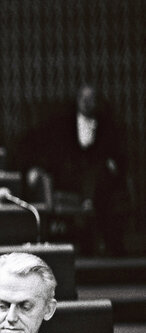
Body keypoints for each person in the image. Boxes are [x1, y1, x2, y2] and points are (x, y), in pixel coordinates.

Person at [24, 83, 132, 255]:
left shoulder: (108, 126)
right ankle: (87, 205)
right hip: (70, 177)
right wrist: (38, 168)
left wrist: (113, 163)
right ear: (77, 100)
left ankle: (90, 205)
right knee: (90, 176)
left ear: (97, 102)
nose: (87, 103)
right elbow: (51, 153)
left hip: (100, 179)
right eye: (83, 98)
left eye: (91, 99)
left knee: (100, 172)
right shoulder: (63, 125)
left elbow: (117, 154)